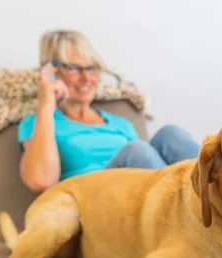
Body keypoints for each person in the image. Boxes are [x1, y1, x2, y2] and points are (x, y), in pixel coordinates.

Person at [18, 30, 200, 193]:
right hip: (93, 207)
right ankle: (186, 212)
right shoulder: (39, 122)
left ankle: (218, 201)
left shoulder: (121, 123)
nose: (86, 78)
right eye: (74, 68)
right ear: (51, 73)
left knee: (170, 134)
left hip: (134, 200)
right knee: (136, 151)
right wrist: (45, 105)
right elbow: (41, 181)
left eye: (91, 68)